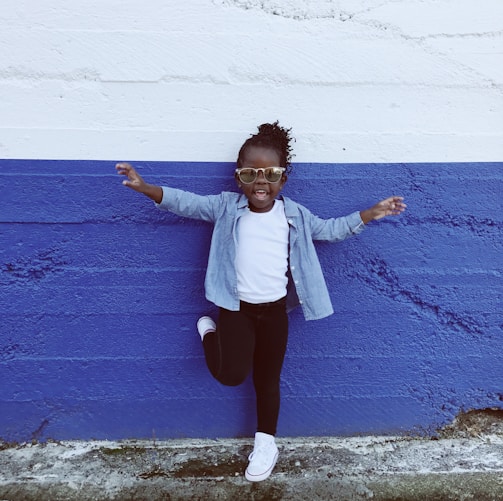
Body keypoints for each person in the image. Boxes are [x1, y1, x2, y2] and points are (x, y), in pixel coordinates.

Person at [116, 121, 406, 482]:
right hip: (235, 309)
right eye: (251, 173)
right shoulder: (226, 207)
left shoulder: (294, 214)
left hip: (274, 312)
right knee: (231, 374)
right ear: (239, 178)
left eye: (270, 174)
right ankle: (209, 332)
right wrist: (146, 188)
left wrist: (371, 213)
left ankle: (266, 442)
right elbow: (186, 203)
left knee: (268, 380)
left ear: (283, 179)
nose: (261, 182)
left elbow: (330, 230)